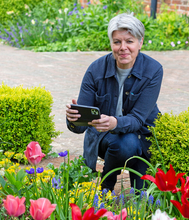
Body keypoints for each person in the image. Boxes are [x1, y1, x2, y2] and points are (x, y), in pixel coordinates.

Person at [66, 13, 163, 191]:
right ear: (111, 43)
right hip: (107, 140)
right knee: (126, 143)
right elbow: (80, 128)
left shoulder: (153, 70)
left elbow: (138, 119)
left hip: (143, 138)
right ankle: (108, 183)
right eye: (117, 42)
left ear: (140, 42)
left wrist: (114, 123)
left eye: (129, 41)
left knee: (143, 195)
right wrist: (74, 118)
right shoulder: (95, 70)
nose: (123, 48)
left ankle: (121, 175)